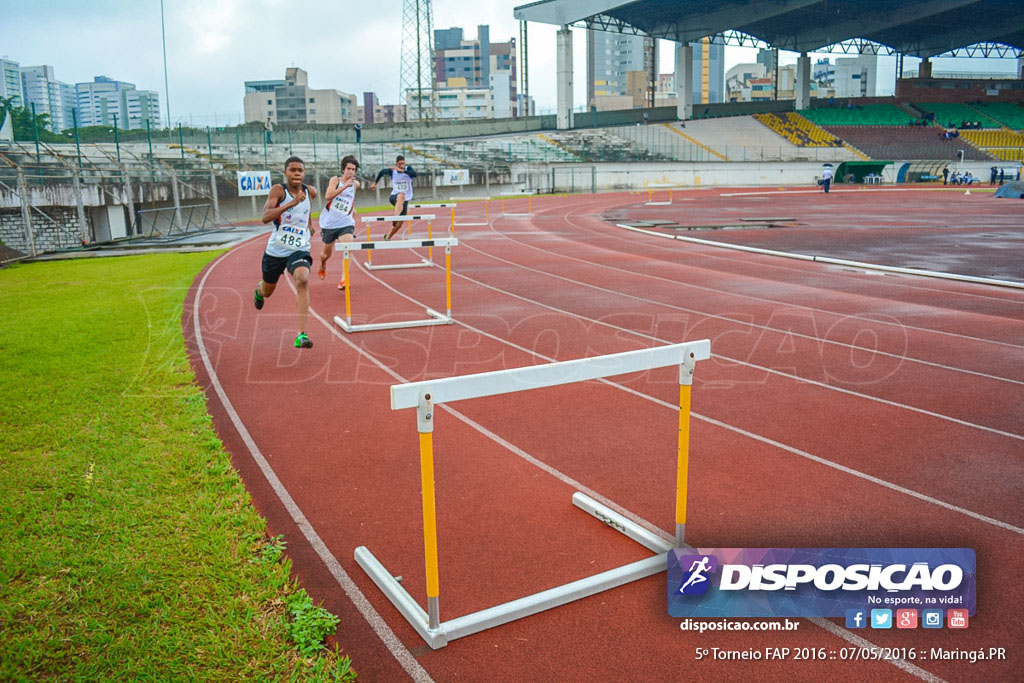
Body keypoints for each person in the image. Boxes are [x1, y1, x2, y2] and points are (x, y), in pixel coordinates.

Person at [253, 156, 319, 349]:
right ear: (285, 172)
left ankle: (301, 334)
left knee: (303, 278)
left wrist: (309, 224)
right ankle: (259, 290)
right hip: (276, 250)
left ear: (304, 173)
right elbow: (265, 217)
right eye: (293, 170)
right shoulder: (278, 190)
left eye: (300, 170)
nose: (297, 173)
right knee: (268, 291)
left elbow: (306, 210)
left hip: (299, 248)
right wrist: (291, 204)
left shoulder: (311, 192)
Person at [317, 155, 360, 290]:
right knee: (325, 254)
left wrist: (353, 208)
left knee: (348, 247)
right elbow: (328, 196)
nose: (351, 172)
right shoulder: (335, 180)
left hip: (345, 223)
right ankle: (323, 264)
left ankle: (344, 279)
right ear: (343, 169)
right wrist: (344, 186)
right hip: (330, 224)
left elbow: (349, 200)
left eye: (353, 169)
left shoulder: (356, 184)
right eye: (348, 169)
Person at [370, 155, 417, 241]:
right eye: (400, 164)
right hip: (394, 197)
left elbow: (414, 174)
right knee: (401, 195)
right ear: (396, 164)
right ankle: (395, 217)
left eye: (403, 163)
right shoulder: (392, 172)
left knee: (399, 224)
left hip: (404, 201)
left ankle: (388, 236)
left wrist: (402, 170)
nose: (402, 165)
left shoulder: (408, 169)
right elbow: (382, 172)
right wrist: (375, 183)